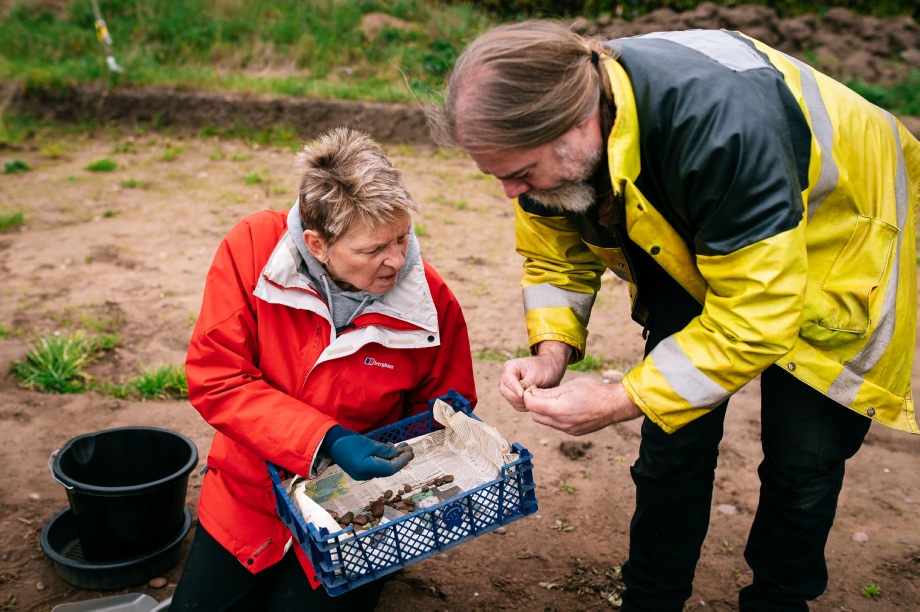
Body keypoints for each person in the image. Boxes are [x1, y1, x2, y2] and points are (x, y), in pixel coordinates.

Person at [429, 19, 919, 611]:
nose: (512, 192)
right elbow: (552, 254)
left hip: (839, 237)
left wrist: (618, 399)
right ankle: (651, 599)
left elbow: (755, 316)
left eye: (520, 173)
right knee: (673, 440)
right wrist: (551, 351)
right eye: (499, 176)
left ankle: (779, 601)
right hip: (700, 222)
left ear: (576, 126)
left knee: (804, 458)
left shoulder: (721, 131)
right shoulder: (552, 143)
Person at [171, 127, 477, 611]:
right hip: (249, 491)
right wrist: (327, 439)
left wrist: (403, 473)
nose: (397, 260)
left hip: (357, 508)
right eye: (372, 250)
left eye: (402, 237)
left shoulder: (431, 300)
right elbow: (218, 379)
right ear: (316, 244)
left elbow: (442, 408)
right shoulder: (252, 250)